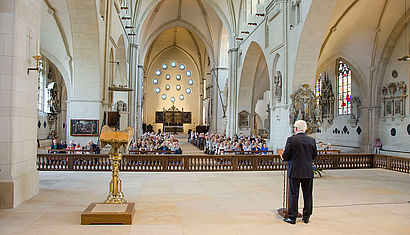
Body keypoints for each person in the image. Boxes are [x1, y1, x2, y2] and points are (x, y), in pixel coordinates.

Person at [282, 120, 317, 225]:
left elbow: (285, 156)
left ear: (296, 129)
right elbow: (314, 156)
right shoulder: (312, 140)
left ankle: (292, 218)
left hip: (295, 171)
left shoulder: (292, 140)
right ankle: (306, 217)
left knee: (293, 194)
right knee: (308, 194)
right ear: (305, 129)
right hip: (307, 171)